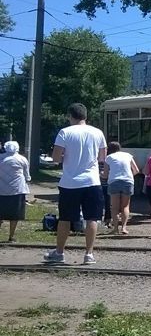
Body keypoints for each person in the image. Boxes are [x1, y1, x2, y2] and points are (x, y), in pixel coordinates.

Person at [44, 103, 107, 264]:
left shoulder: (65, 132)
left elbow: (56, 158)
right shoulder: (98, 132)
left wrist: (67, 158)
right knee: (92, 218)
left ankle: (59, 253)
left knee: (65, 218)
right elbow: (102, 158)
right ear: (86, 116)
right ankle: (89, 254)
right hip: (92, 181)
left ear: (70, 116)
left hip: (70, 183)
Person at [103, 141, 139, 235]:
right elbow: (136, 170)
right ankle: (124, 228)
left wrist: (100, 175)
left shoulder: (109, 157)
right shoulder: (128, 155)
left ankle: (115, 228)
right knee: (125, 206)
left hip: (114, 181)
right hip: (127, 181)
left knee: (114, 207)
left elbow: (105, 174)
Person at [0, 141, 31, 242]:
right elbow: (27, 176)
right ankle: (11, 236)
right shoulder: (22, 159)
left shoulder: (0, 158)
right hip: (17, 190)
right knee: (15, 214)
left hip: (1, 190)